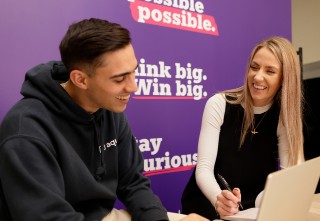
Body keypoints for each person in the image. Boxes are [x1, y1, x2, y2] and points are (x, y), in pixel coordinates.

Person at [0, 18, 208, 221]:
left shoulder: (110, 109)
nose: (133, 87)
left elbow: (134, 184)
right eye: (119, 79)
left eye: (133, 72)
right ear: (80, 79)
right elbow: (48, 216)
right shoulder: (26, 131)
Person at [181, 36, 305, 220]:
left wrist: (263, 200)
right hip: (207, 205)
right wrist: (220, 200)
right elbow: (204, 169)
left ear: (285, 78)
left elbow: (291, 175)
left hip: (251, 211)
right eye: (254, 67)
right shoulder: (219, 104)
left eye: (270, 71)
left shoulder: (284, 116)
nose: (258, 76)